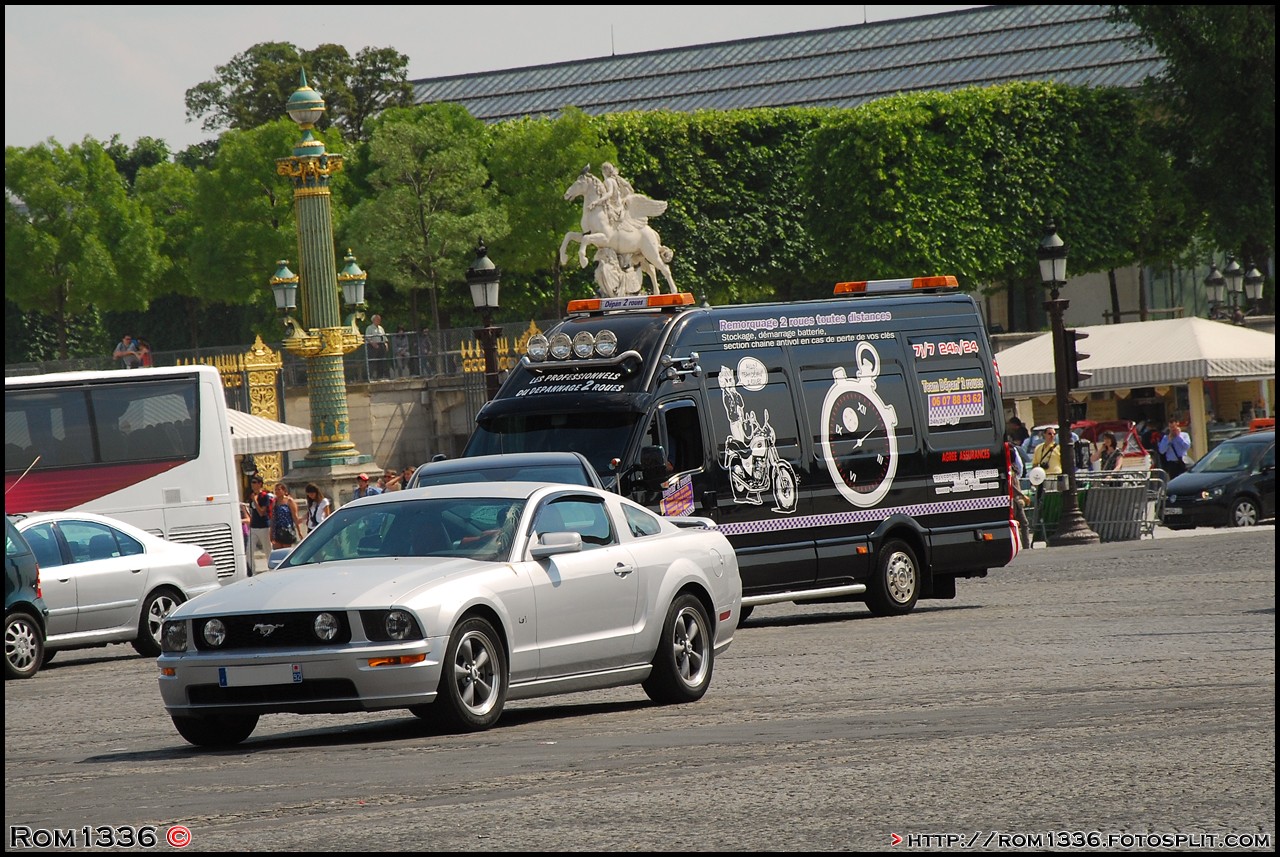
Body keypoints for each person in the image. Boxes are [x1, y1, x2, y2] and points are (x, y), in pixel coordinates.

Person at [246, 476, 274, 575]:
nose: (252, 484)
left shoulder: (264, 496)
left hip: (263, 527)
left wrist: (255, 500)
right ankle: (253, 571)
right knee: (249, 551)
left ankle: (271, 569)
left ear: (260, 484)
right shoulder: (252, 495)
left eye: (254, 482)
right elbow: (252, 511)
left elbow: (262, 512)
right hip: (254, 527)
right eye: (251, 482)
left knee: (267, 549)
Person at [270, 482, 300, 549]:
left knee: (286, 550)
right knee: (277, 552)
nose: (277, 491)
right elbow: (273, 518)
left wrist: (299, 532)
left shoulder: (289, 501)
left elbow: (294, 517)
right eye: (276, 490)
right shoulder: (274, 502)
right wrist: (271, 533)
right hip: (277, 530)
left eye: (279, 489)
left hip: (287, 529)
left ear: (284, 491)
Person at [365, 314, 389, 379]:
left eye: (379, 319)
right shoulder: (369, 328)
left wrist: (386, 344)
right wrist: (373, 344)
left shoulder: (381, 328)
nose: (379, 320)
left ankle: (380, 376)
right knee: (372, 362)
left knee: (381, 361)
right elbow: (367, 337)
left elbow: (384, 336)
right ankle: (370, 376)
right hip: (373, 346)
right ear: (373, 320)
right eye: (377, 319)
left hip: (381, 345)